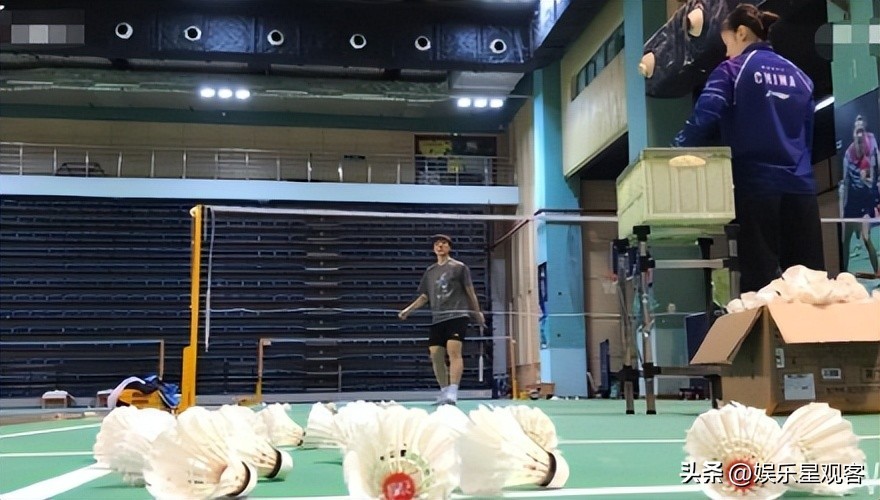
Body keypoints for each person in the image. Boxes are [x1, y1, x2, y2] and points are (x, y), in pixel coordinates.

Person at [672, 3, 824, 292]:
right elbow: (808, 137)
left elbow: (705, 117)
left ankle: (765, 325)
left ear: (741, 33)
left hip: (756, 187)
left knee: (760, 283)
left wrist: (675, 151)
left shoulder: (732, 70)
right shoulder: (801, 77)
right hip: (802, 188)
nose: (726, 52)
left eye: (727, 43)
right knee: (809, 284)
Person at [398, 234, 485, 405]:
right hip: (438, 318)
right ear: (434, 249)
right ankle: (444, 391)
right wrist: (408, 310)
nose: (440, 246)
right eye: (437, 244)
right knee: (435, 354)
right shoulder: (430, 272)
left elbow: (470, 292)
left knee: (453, 351)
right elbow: (425, 296)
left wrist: (477, 312)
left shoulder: (459, 267)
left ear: (449, 247)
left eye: (443, 243)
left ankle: (453, 391)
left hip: (457, 315)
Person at [840, 115, 880, 277]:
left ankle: (877, 272)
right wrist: (843, 213)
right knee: (845, 240)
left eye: (862, 131)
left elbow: (874, 176)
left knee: (866, 236)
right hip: (852, 203)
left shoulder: (872, 145)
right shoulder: (848, 155)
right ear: (853, 134)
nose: (859, 134)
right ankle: (843, 275)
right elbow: (845, 184)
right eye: (857, 131)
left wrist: (868, 181)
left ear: (865, 133)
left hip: (866, 200)